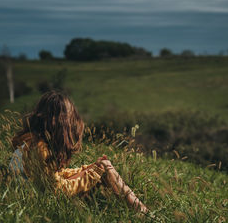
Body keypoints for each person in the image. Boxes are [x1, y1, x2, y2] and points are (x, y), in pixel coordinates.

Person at [9, 90, 148, 214]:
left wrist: (90, 169)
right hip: (44, 204)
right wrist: (94, 173)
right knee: (105, 168)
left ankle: (133, 210)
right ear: (64, 122)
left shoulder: (30, 141)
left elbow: (54, 177)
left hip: (37, 198)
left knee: (103, 166)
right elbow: (57, 191)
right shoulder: (40, 148)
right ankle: (141, 212)